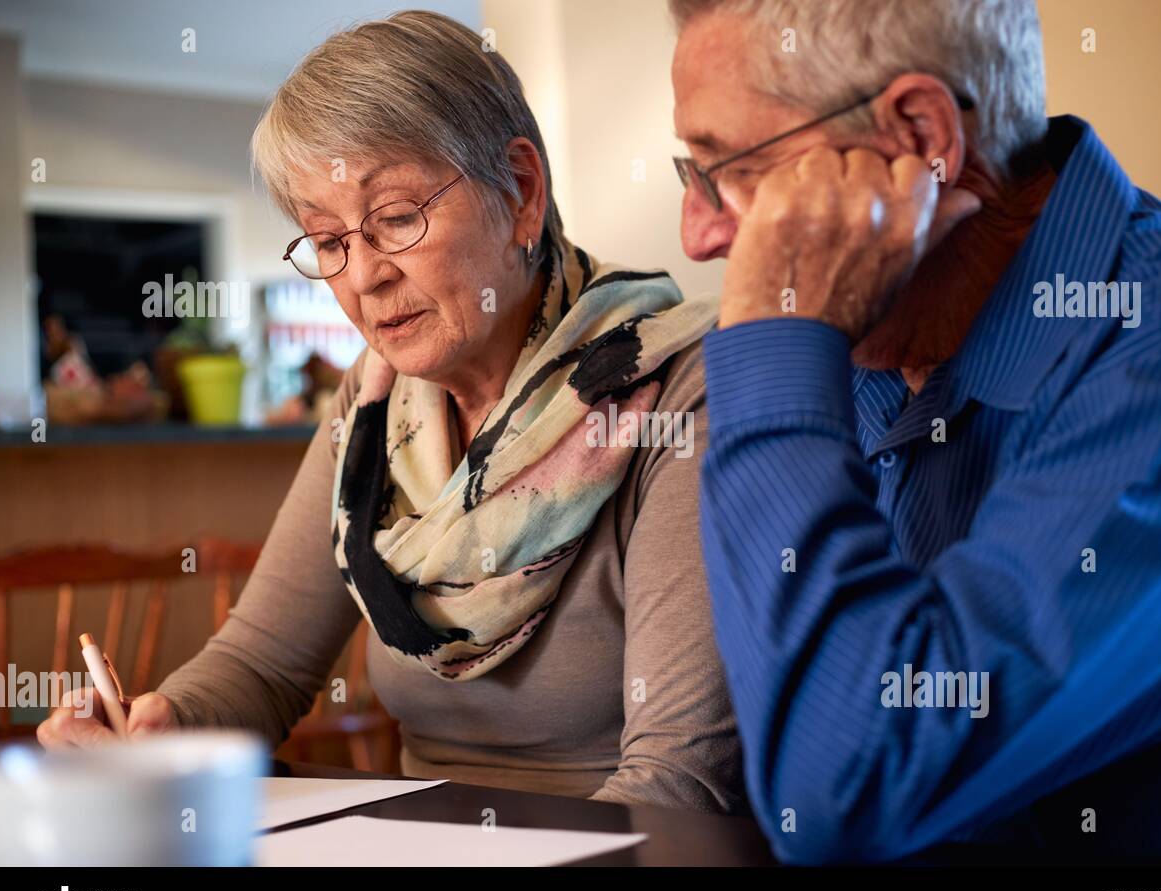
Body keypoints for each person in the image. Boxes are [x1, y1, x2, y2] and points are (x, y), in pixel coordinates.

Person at [40, 10, 744, 816]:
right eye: (328, 240)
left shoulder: (676, 390)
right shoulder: (374, 404)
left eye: (398, 218)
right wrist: (169, 726)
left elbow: (679, 782)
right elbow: (263, 663)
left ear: (520, 192)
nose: (364, 276)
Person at [670, 0, 1161, 860]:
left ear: (921, 136)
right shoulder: (862, 340)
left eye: (728, 168)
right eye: (688, 172)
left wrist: (777, 352)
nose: (697, 234)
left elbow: (845, 790)